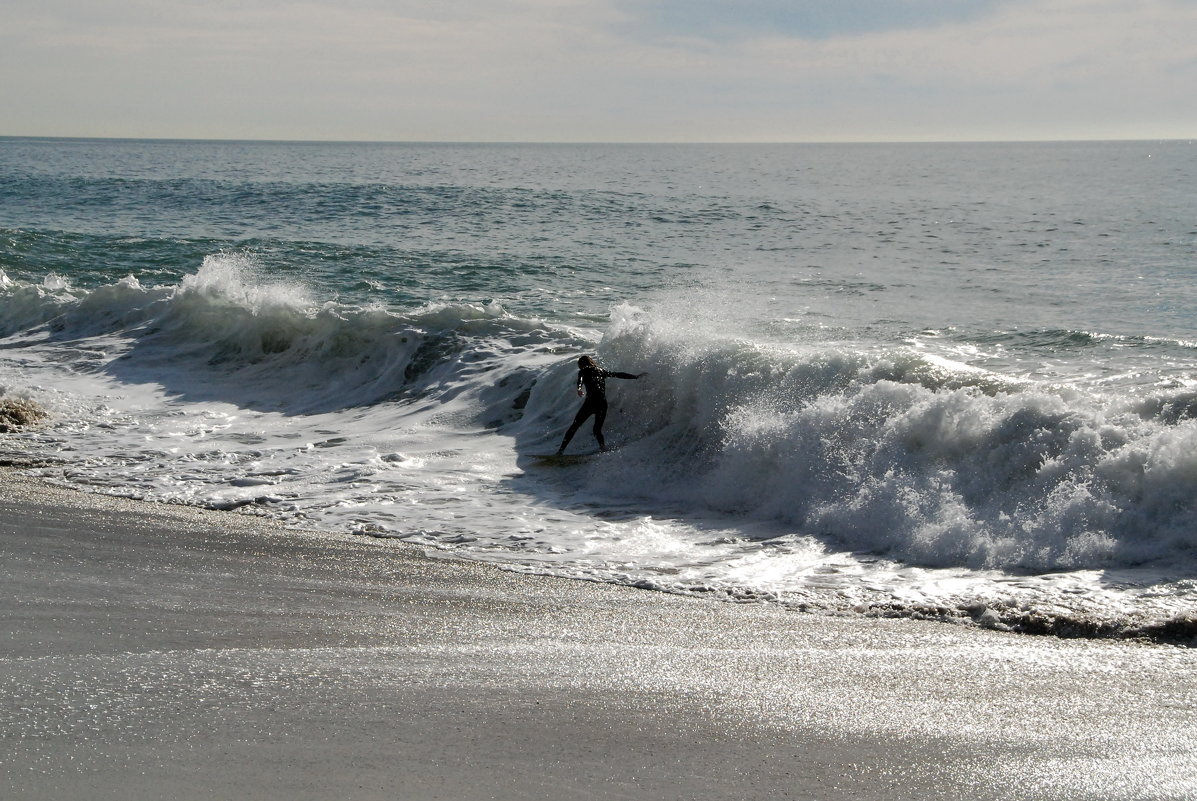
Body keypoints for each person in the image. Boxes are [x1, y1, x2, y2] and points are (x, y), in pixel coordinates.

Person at [557, 355, 645, 454]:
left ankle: (561, 451)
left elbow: (580, 380)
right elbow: (618, 374)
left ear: (581, 364)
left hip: (590, 403)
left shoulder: (583, 371)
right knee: (597, 430)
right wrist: (635, 376)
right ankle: (603, 448)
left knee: (574, 426)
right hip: (602, 403)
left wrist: (579, 389)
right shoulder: (600, 371)